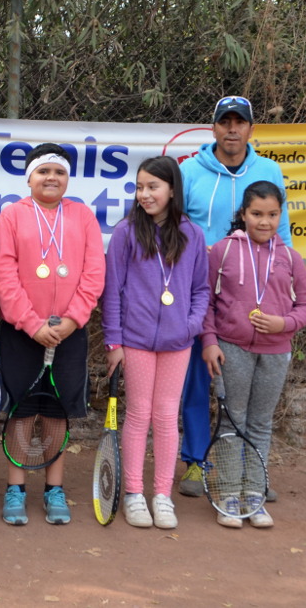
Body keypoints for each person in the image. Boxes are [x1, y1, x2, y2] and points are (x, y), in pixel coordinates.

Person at [177, 95, 292, 501]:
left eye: (239, 122)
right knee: (194, 378)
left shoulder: (269, 171)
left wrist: (282, 295)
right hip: (195, 289)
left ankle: (249, 472)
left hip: (249, 299)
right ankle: (195, 459)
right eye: (224, 121)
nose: (231, 129)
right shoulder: (190, 170)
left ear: (250, 130)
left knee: (243, 398)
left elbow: (284, 236)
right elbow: (176, 226)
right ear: (212, 128)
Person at [0, 143, 105, 525]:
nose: (51, 178)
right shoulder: (11, 217)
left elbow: (93, 274)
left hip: (69, 333)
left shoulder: (83, 216)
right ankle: (15, 487)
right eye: (43, 171)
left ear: (67, 178)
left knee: (56, 414)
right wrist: (31, 323)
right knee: (22, 412)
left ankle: (54, 488)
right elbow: (5, 278)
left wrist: (72, 321)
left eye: (58, 171)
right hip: (22, 332)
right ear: (29, 178)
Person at [102, 156, 210, 529]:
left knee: (166, 417)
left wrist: (190, 326)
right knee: (138, 415)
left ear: (172, 191)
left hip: (178, 342)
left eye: (153, 187)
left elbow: (200, 290)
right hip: (135, 341)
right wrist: (113, 341)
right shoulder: (126, 233)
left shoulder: (193, 235)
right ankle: (133, 493)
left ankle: (161, 495)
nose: (145, 194)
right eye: (140, 186)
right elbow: (112, 291)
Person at [201, 180, 306, 528]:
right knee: (231, 419)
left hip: (276, 352)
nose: (264, 222)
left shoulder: (291, 258)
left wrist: (284, 323)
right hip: (232, 348)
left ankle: (254, 493)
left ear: (280, 216)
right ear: (243, 214)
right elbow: (205, 300)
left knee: (261, 422)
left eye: (272, 215)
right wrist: (209, 341)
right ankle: (228, 494)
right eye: (256, 214)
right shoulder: (221, 251)